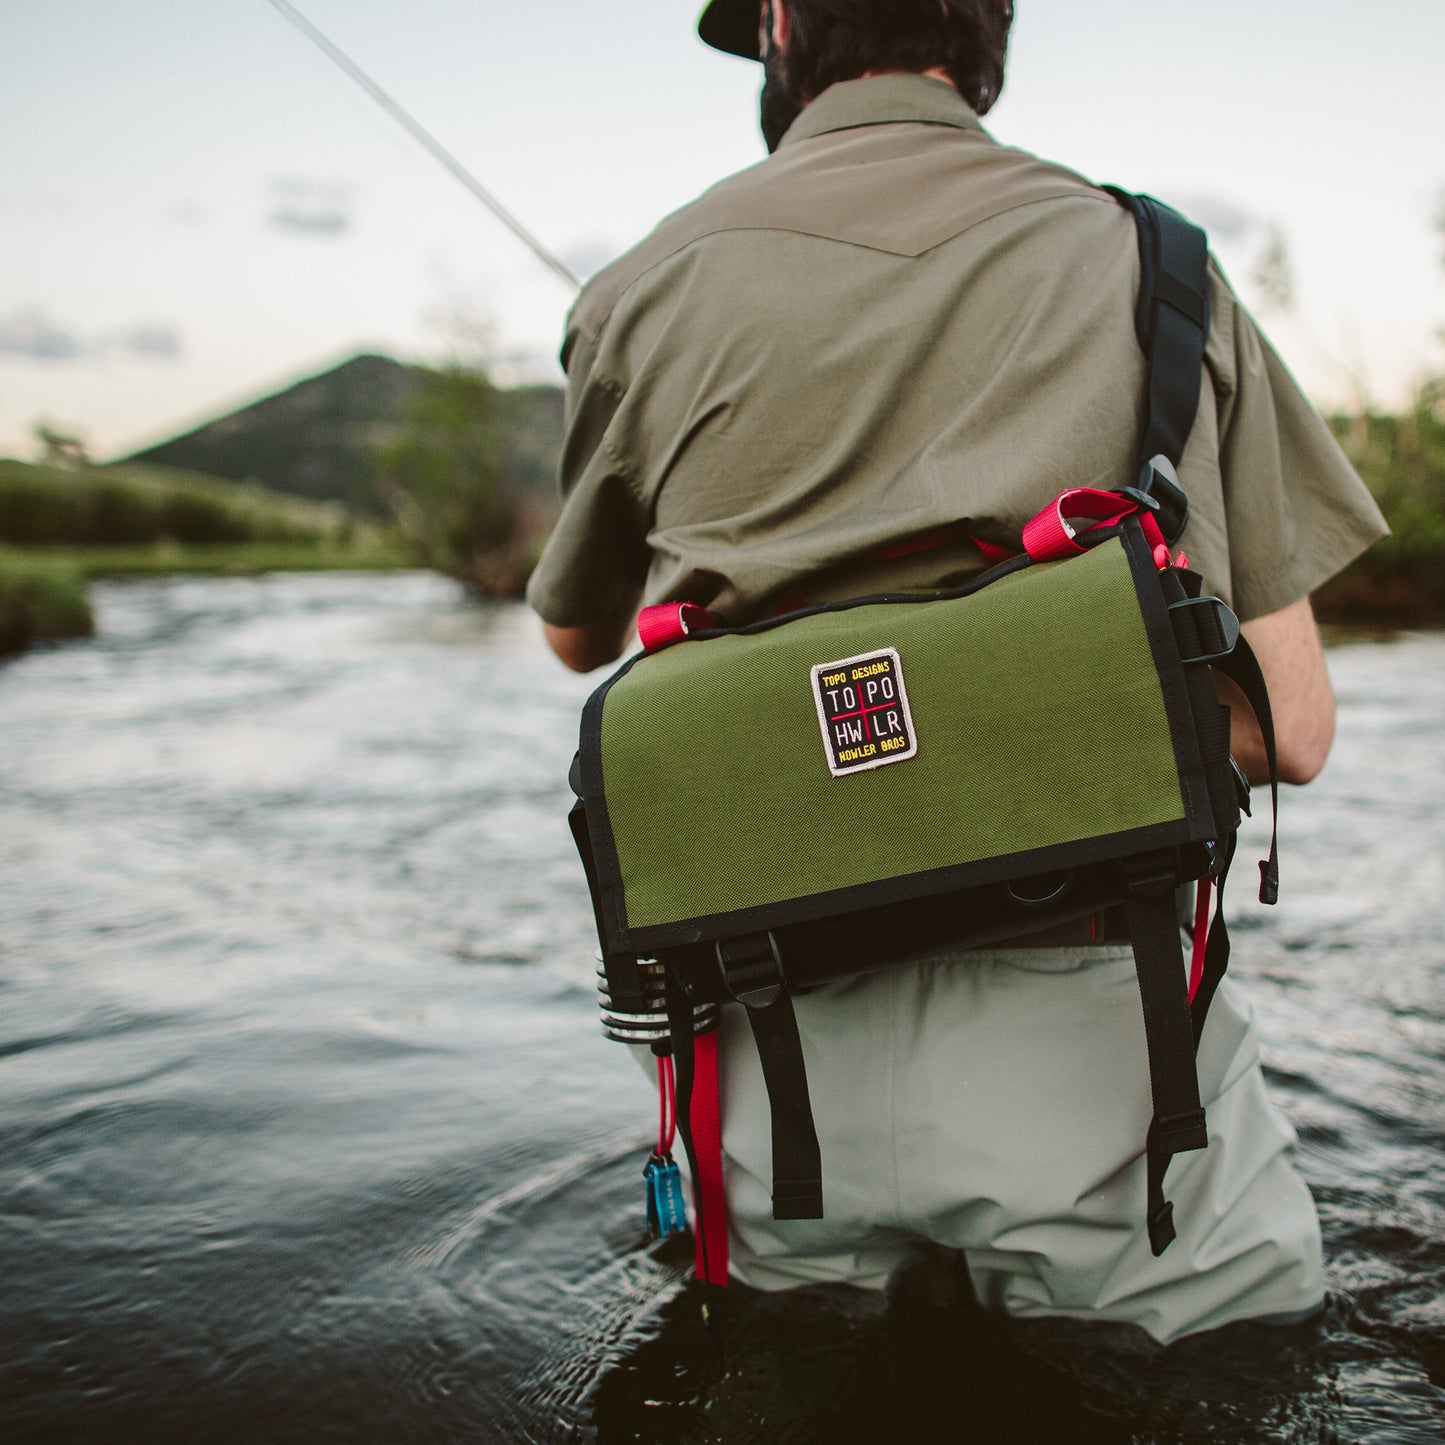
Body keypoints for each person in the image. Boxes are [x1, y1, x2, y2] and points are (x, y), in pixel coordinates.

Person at [527, 0, 1387, 1344]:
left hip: (767, 1058)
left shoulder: (630, 288)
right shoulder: (1158, 265)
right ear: (986, 30)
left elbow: (576, 640)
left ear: (777, 23)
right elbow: (1290, 729)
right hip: (1111, 1060)